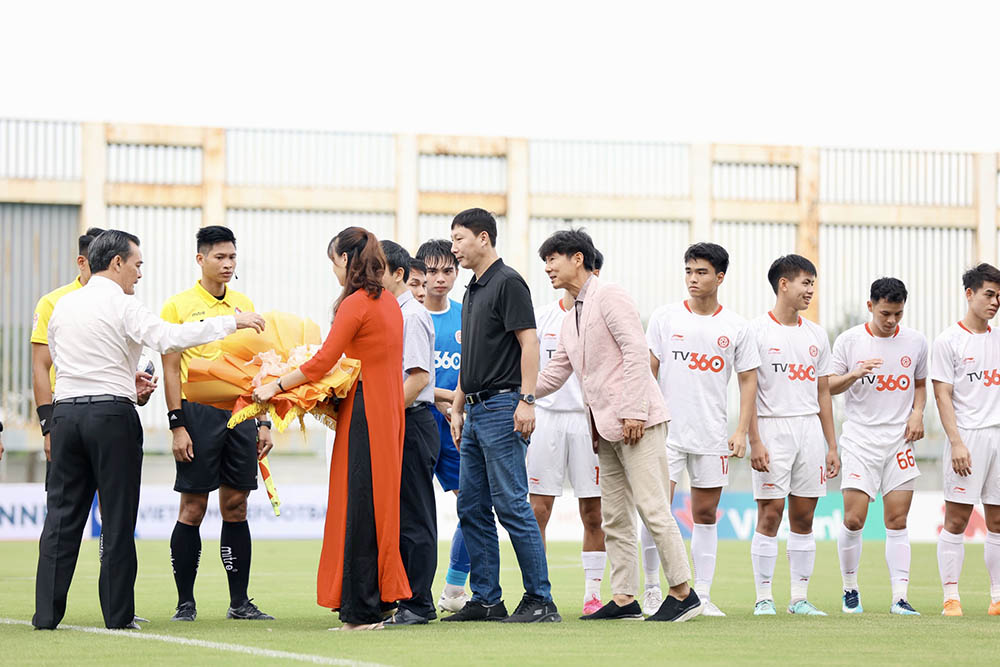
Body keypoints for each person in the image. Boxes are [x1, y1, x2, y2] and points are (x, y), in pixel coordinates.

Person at [33, 229, 265, 631]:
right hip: (110, 419)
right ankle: (118, 616)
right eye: (137, 265)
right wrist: (232, 322)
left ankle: (46, 615)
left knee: (61, 519)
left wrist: (128, 380)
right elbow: (168, 338)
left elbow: (68, 362)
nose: (140, 274)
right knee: (118, 518)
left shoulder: (63, 306)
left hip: (66, 415)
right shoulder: (125, 305)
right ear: (117, 262)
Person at [535, 229, 698, 623]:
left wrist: (635, 411)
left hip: (637, 421)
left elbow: (635, 351)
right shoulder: (570, 315)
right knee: (615, 516)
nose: (547, 267)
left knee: (653, 508)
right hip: (605, 429)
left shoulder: (610, 295)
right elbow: (556, 372)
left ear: (578, 259)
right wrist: (518, 395)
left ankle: (683, 593)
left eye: (553, 258)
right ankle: (625, 598)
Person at [253, 227, 410, 631]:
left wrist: (277, 384)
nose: (333, 271)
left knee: (358, 507)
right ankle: (375, 604)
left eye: (333, 262)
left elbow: (325, 361)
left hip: (366, 413)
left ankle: (360, 613)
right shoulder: (389, 303)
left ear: (345, 260)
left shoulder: (356, 304)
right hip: (386, 413)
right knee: (378, 509)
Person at [443, 208, 559, 624]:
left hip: (503, 407)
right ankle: (487, 599)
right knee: (471, 508)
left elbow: (529, 343)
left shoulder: (508, 282)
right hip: (473, 411)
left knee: (511, 505)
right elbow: (469, 359)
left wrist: (527, 400)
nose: (454, 248)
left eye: (459, 239)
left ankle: (540, 601)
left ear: (484, 238)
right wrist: (457, 407)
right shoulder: (473, 289)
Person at [160, 226, 274, 622]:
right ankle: (185, 603)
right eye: (219, 258)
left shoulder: (244, 304)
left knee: (236, 506)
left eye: (232, 258)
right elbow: (171, 370)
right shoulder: (178, 306)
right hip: (197, 415)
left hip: (240, 414)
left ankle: (239, 602)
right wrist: (177, 424)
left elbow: (257, 366)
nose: (227, 265)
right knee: (192, 507)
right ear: (200, 259)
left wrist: (263, 421)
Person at [644, 242, 760, 617]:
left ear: (720, 277)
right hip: (666, 433)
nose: (693, 279)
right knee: (656, 511)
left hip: (711, 434)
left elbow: (747, 382)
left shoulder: (737, 327)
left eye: (702, 272)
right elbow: (649, 372)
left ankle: (704, 595)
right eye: (689, 271)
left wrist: (741, 431)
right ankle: (649, 589)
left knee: (706, 514)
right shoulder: (665, 318)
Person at [747, 254, 840, 616]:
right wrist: (754, 438)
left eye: (813, 284)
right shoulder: (755, 331)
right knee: (770, 514)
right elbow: (748, 392)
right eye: (805, 283)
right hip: (772, 428)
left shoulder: (817, 334)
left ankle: (799, 598)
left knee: (804, 518)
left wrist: (832, 444)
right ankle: (763, 597)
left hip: (809, 432)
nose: (810, 291)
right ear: (783, 285)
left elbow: (823, 395)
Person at [830, 277, 927, 616]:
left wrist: (917, 413)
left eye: (898, 314)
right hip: (860, 441)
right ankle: (849, 590)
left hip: (898, 442)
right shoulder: (849, 341)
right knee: (855, 520)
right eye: (885, 313)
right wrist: (854, 374)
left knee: (897, 520)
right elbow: (828, 387)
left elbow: (919, 384)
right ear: (870, 306)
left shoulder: (915, 342)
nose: (891, 321)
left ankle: (900, 597)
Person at [528, 247, 606, 616]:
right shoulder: (542, 318)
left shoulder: (603, 316)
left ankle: (593, 596)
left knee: (593, 513)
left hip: (588, 419)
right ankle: (540, 594)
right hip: (546, 419)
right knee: (538, 510)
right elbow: (529, 370)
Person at [931, 263, 1000, 617]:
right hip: (968, 437)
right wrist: (956, 442)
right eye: (989, 294)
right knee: (956, 519)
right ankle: (951, 596)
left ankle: (997, 597)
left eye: (999, 296)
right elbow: (942, 395)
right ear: (969, 294)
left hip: (998, 436)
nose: (995, 302)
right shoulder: (948, 341)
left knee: (998, 521)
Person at [378, 241, 440, 627]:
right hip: (399, 420)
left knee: (415, 516)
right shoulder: (389, 313)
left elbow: (417, 378)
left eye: (375, 271)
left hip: (412, 422)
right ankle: (400, 597)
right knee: (397, 515)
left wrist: (382, 416)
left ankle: (419, 603)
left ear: (398, 274)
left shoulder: (411, 316)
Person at [415, 238, 471, 613]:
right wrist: (445, 398)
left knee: (472, 504)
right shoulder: (408, 315)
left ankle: (454, 588)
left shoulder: (467, 315)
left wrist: (459, 404)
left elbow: (473, 367)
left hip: (456, 422)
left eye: (447, 271)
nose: (440, 279)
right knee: (413, 512)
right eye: (432, 271)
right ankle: (409, 591)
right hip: (417, 421)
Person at [31, 227, 104, 477]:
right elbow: (41, 366)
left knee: (114, 505)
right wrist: (48, 428)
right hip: (66, 412)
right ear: (82, 263)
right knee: (64, 506)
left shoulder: (122, 302)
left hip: (110, 413)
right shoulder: (53, 302)